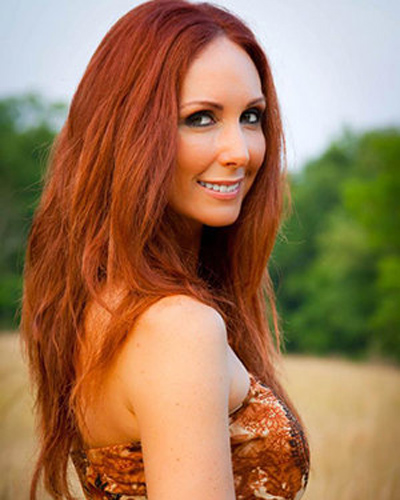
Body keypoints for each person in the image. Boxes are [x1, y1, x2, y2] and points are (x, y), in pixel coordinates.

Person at [21, 1, 310, 499]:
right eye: (200, 118)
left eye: (251, 116)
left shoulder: (111, 306)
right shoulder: (179, 328)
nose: (240, 151)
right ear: (129, 133)